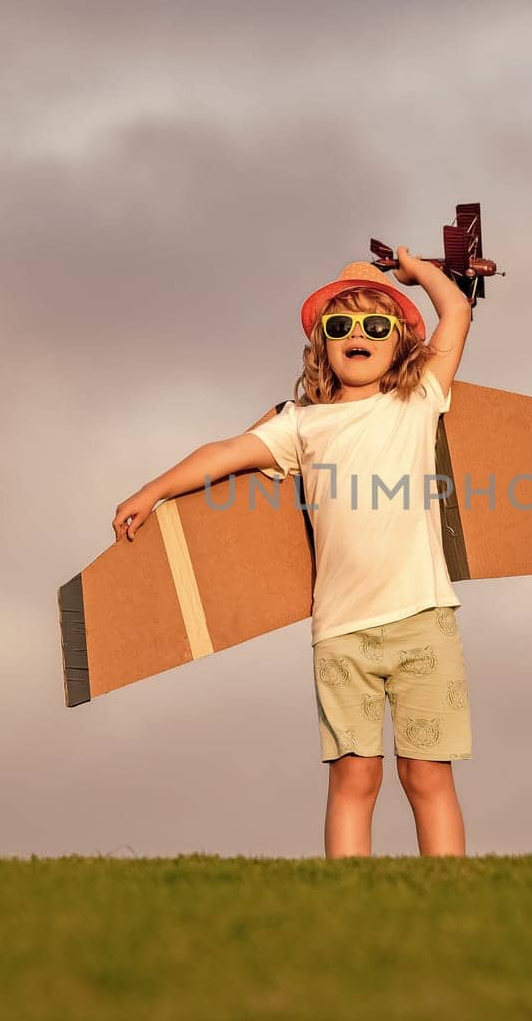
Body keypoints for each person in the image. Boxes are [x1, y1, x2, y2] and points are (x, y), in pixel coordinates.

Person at [110, 246, 475, 858]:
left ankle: (450, 902)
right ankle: (345, 908)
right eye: (340, 326)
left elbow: (457, 312)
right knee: (354, 778)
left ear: (400, 344)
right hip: (341, 634)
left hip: (423, 620)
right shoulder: (301, 424)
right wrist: (154, 489)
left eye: (375, 326)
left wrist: (418, 272)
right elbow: (223, 454)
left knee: (426, 774)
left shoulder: (417, 400)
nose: (357, 334)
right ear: (323, 345)